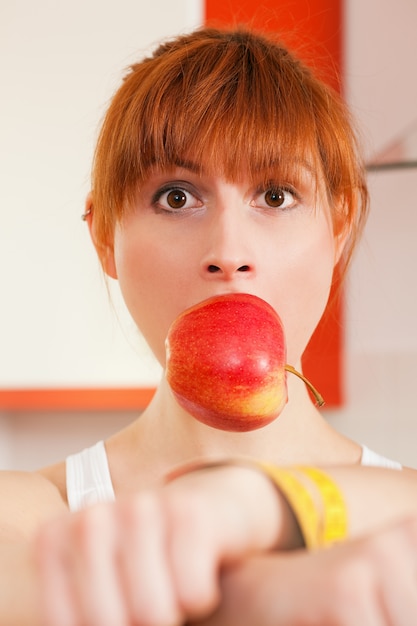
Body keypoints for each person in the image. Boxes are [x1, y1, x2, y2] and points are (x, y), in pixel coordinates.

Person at [1, 24, 417, 625]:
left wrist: (254, 505)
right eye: (176, 197)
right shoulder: (41, 511)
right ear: (104, 240)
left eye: (275, 196)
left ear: (339, 229)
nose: (229, 250)